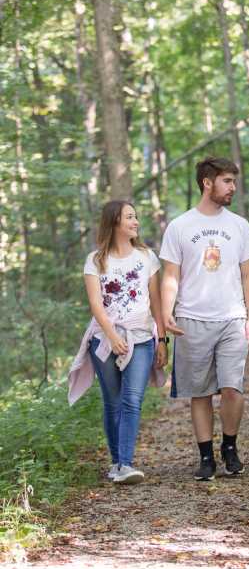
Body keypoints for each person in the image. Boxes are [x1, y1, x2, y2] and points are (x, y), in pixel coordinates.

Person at [160, 156, 249, 481]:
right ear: (207, 182)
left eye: (233, 181)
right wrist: (166, 313)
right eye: (227, 181)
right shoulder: (179, 226)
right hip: (191, 319)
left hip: (232, 318)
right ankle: (206, 457)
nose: (233, 187)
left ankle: (229, 448)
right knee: (199, 392)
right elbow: (171, 276)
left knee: (232, 388)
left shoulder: (239, 225)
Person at [68, 200, 167, 484]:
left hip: (141, 337)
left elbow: (156, 303)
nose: (136, 222)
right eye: (130, 217)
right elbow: (95, 304)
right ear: (114, 222)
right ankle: (116, 463)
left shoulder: (146, 257)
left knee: (132, 400)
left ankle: (125, 463)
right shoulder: (96, 260)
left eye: (136, 217)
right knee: (112, 402)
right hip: (103, 340)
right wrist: (112, 336)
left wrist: (162, 340)